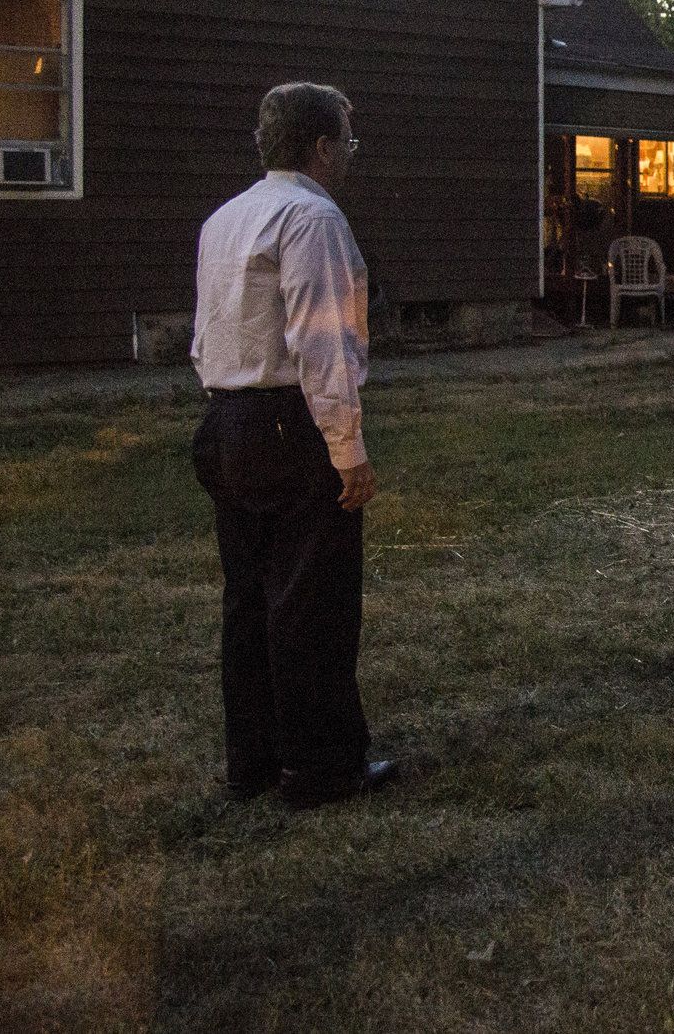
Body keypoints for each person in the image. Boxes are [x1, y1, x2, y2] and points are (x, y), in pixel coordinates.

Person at [189, 81, 398, 810]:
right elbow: (325, 343)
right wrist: (348, 449)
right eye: (348, 141)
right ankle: (322, 766)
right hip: (289, 424)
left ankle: (253, 760)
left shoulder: (224, 219)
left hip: (227, 419)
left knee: (248, 598)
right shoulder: (313, 219)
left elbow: (205, 335)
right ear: (321, 146)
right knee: (312, 599)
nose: (350, 156)